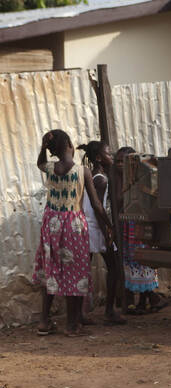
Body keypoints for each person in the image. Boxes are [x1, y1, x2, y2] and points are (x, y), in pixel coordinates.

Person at [32, 130, 112, 336]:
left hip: (51, 223)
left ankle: (43, 321)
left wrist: (43, 147)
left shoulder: (50, 168)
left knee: (51, 269)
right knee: (75, 272)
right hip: (73, 224)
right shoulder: (82, 171)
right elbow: (96, 204)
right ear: (69, 144)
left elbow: (40, 163)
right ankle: (71, 324)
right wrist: (109, 224)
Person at [78, 141, 126, 324]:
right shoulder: (100, 179)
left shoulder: (99, 176)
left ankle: (83, 313)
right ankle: (108, 311)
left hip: (91, 227)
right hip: (94, 227)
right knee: (112, 267)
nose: (111, 157)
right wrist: (108, 231)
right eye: (108, 154)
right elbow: (96, 208)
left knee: (84, 269)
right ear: (99, 158)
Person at [115, 147, 165, 314]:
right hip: (128, 228)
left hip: (140, 227)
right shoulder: (118, 180)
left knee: (144, 262)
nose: (121, 165)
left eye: (125, 162)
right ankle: (148, 299)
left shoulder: (142, 178)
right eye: (118, 161)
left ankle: (147, 299)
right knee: (133, 262)